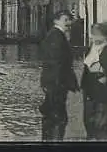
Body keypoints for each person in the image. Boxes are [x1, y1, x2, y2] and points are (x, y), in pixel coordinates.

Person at [39, 10, 79, 141]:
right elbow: (56, 63)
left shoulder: (56, 35)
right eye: (65, 20)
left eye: (69, 20)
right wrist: (59, 84)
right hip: (56, 84)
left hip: (53, 83)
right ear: (56, 21)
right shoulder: (57, 36)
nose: (69, 23)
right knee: (58, 118)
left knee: (52, 116)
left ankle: (47, 141)